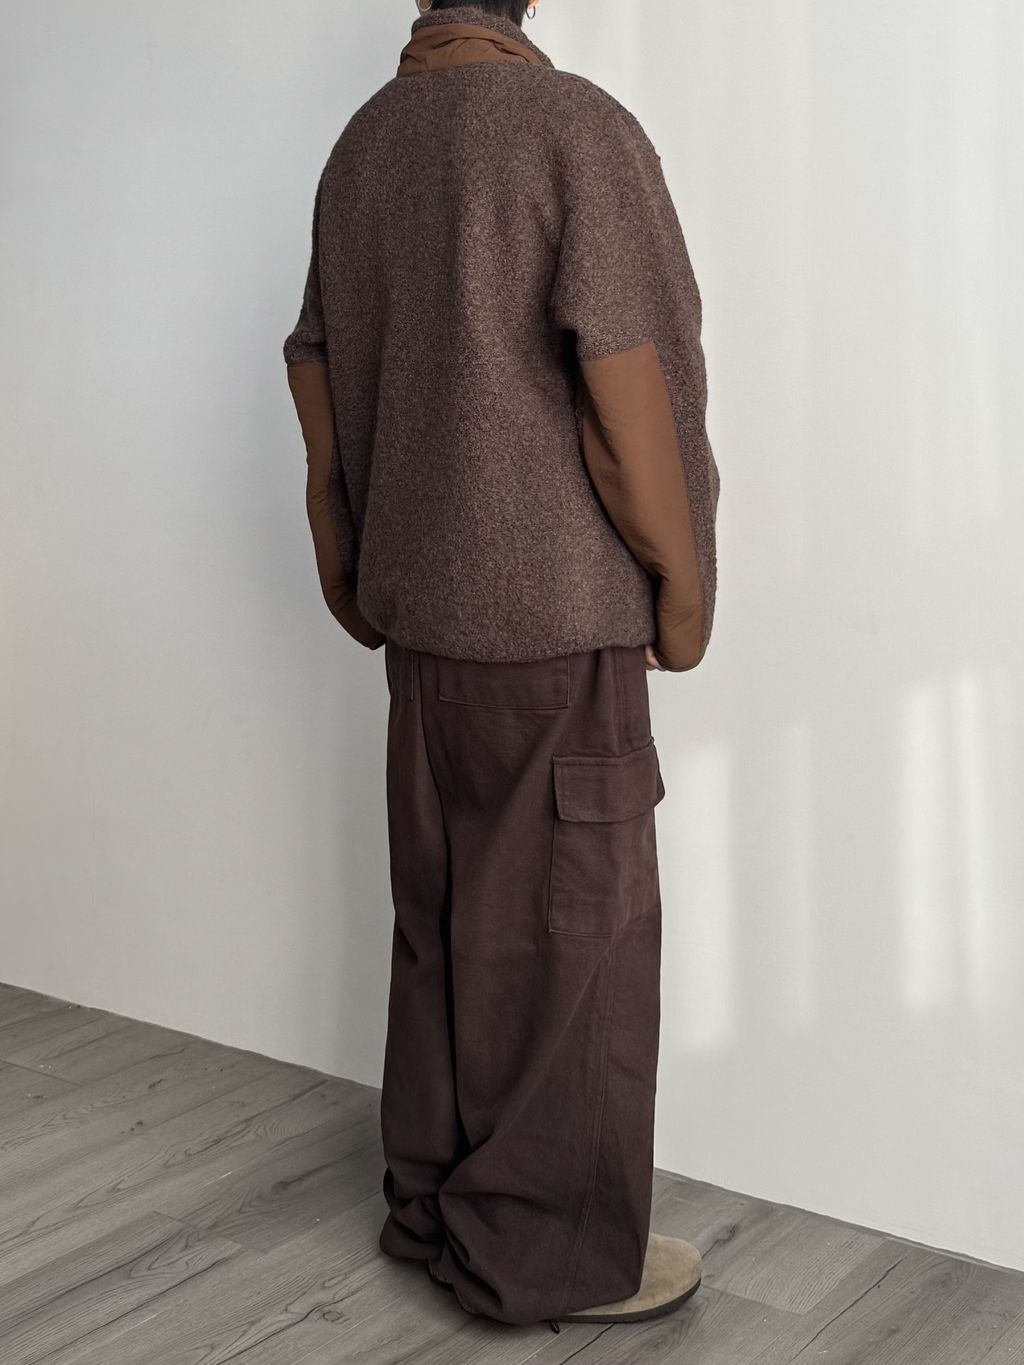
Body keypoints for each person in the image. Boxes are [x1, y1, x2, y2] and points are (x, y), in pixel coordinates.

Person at [283, 0, 720, 1331]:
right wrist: (682, 591)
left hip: (423, 629)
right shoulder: (575, 131)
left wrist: (353, 574)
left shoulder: (364, 146)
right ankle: (545, 1255)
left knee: (444, 928)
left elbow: (317, 378)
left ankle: (431, 1207)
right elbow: (635, 392)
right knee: (570, 948)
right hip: (554, 625)